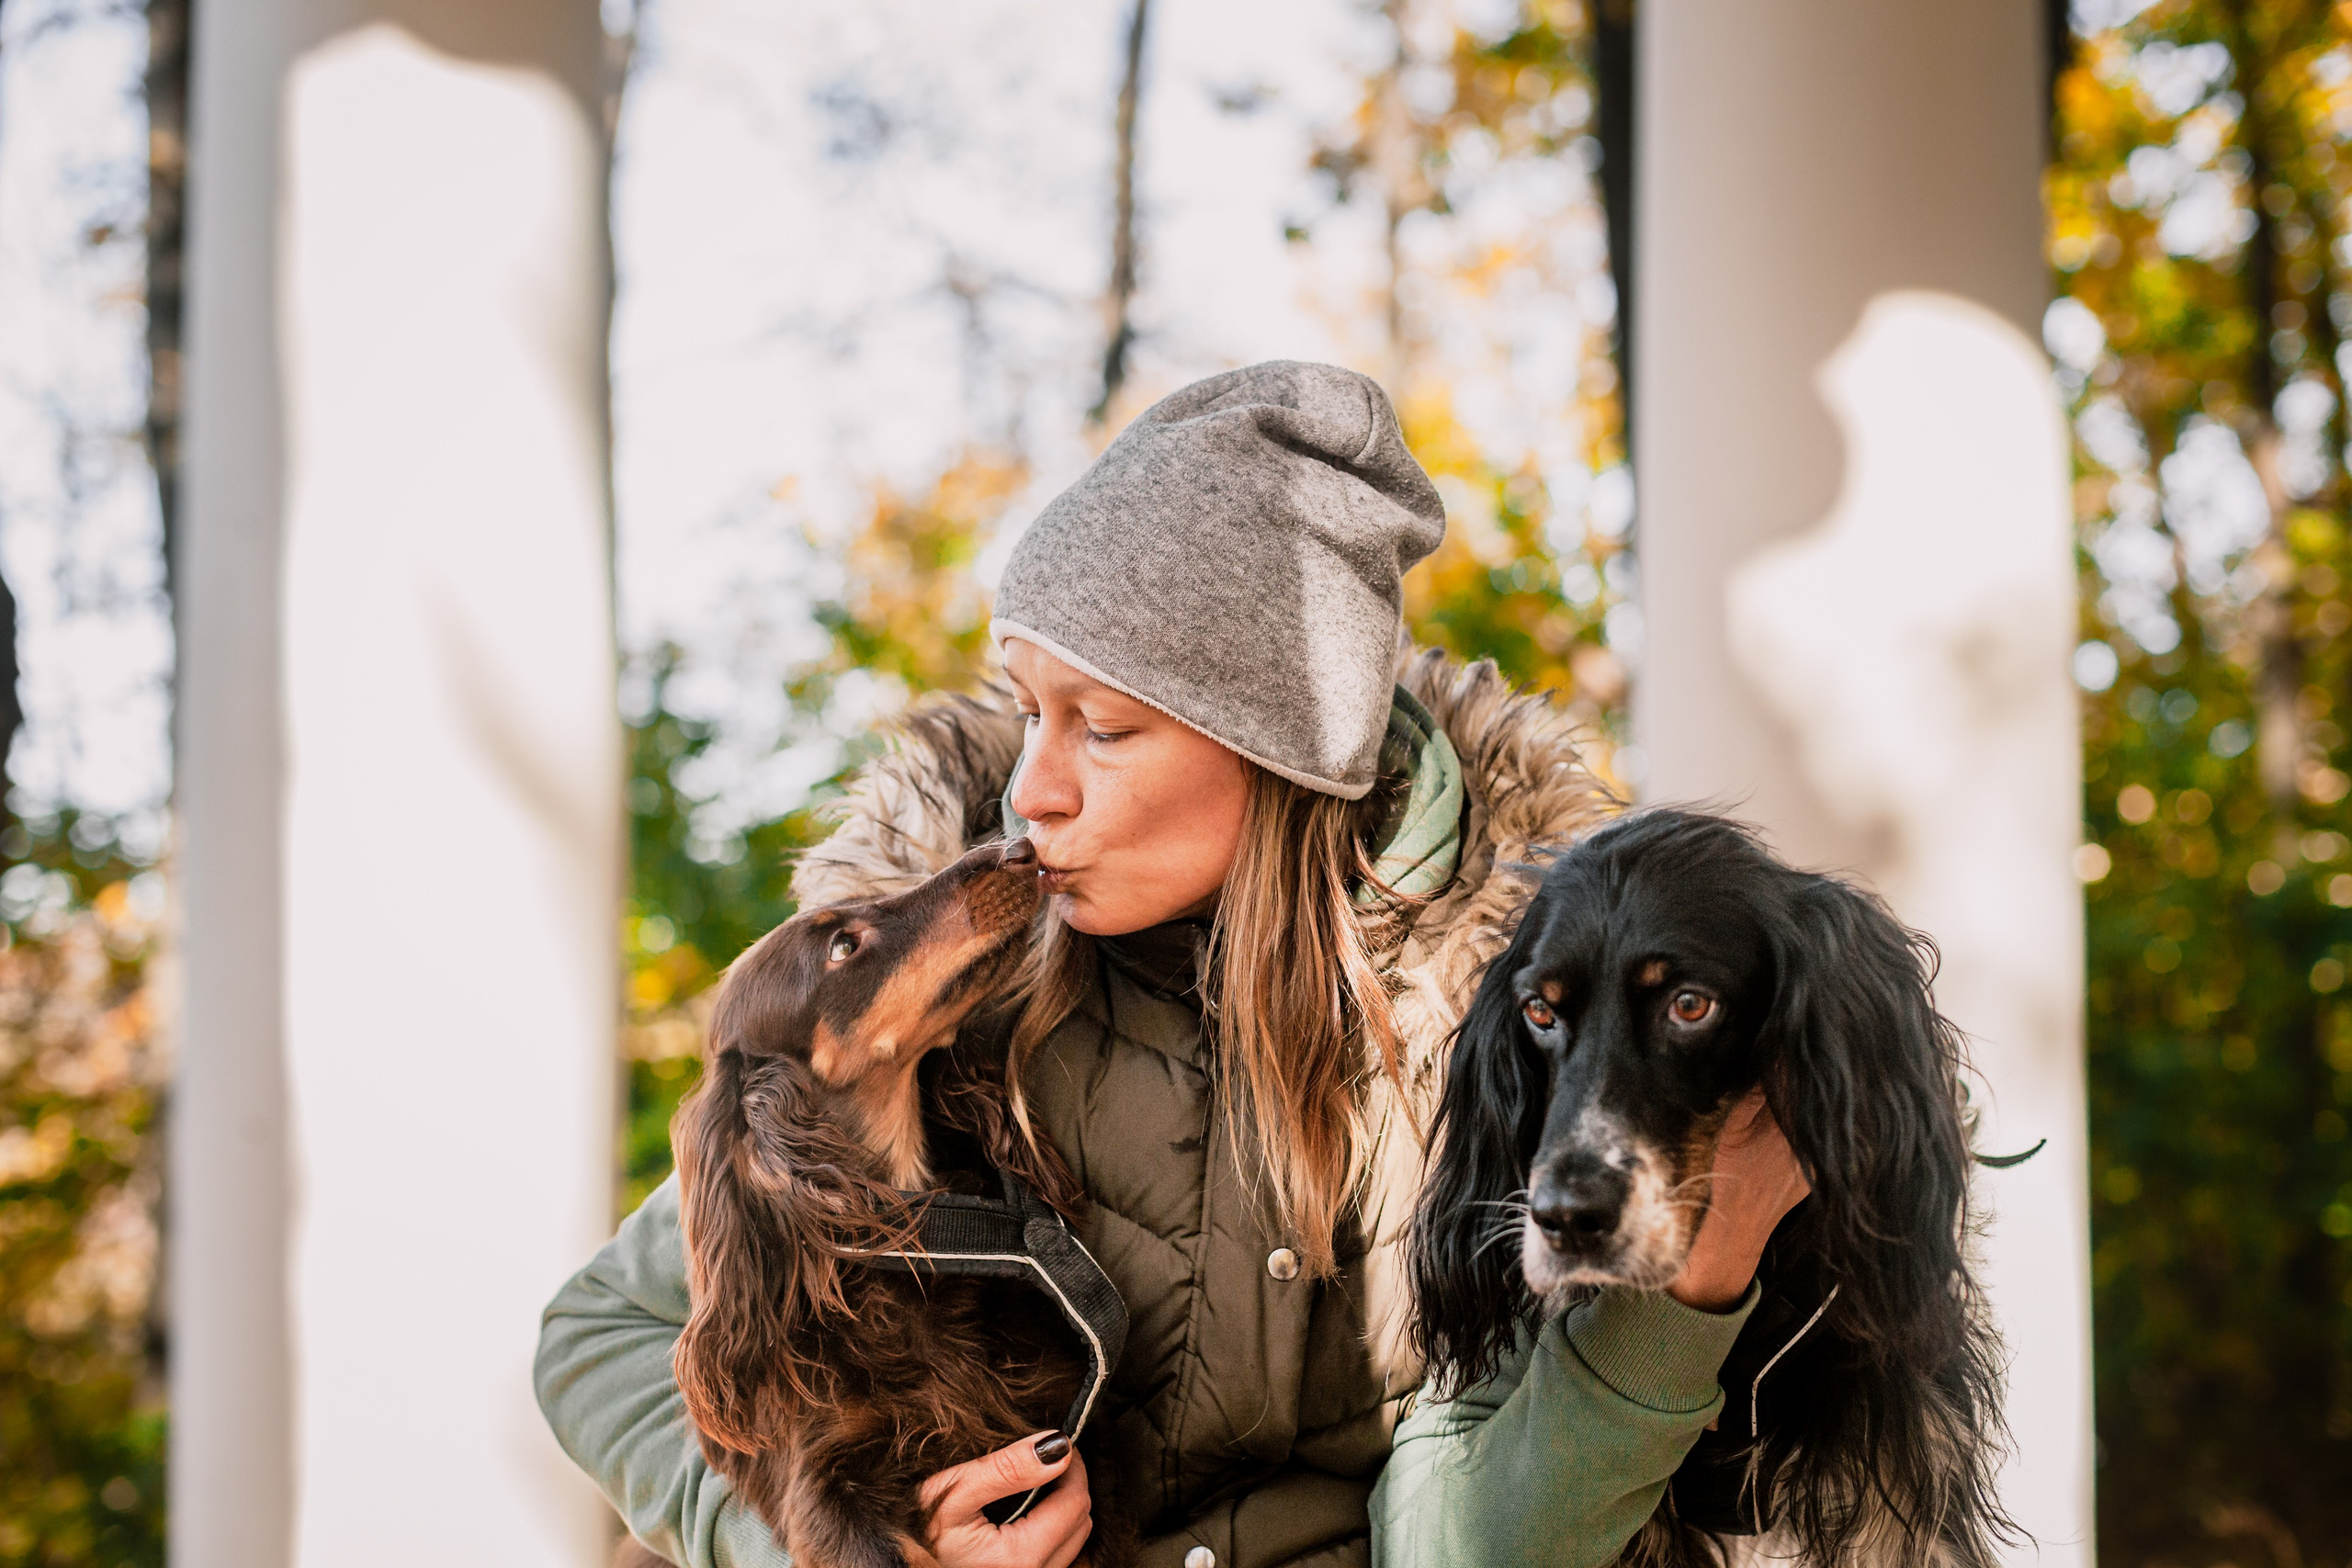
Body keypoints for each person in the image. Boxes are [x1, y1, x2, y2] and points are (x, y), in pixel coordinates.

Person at [534, 361, 1811, 1568]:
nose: (1031, 792)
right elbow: (600, 1340)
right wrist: (855, 1551)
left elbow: (1462, 1538)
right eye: (1029, 710)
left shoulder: (1521, 1020)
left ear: (1282, 753)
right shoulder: (945, 1007)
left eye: (1105, 726)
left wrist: (1680, 1303)